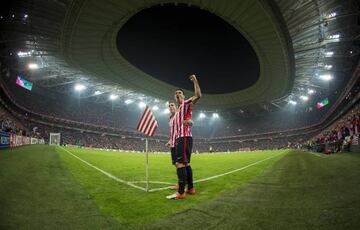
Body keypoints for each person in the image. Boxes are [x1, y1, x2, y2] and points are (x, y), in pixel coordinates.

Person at [166, 74, 201, 200]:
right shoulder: (178, 111)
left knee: (181, 163)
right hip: (178, 139)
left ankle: (181, 192)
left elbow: (198, 96)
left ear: (184, 95)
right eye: (176, 93)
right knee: (184, 164)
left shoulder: (186, 104)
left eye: (180, 92)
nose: (177, 94)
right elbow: (186, 121)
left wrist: (195, 81)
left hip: (184, 137)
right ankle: (190, 188)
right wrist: (171, 140)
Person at [166, 101, 193, 190]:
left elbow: (189, 120)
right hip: (173, 143)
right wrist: (170, 140)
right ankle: (181, 184)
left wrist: (190, 122)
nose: (170, 107)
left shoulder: (179, 114)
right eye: (169, 106)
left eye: (172, 105)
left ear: (177, 107)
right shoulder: (170, 118)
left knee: (183, 164)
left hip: (180, 141)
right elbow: (172, 132)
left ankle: (187, 186)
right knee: (177, 164)